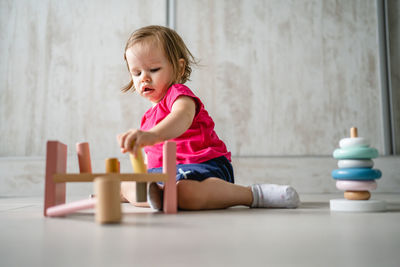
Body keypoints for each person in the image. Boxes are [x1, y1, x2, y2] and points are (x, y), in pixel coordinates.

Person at [117, 25, 300, 210]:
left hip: (203, 165)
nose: (144, 79)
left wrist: (153, 135)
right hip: (163, 175)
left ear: (179, 68)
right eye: (136, 73)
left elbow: (182, 117)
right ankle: (137, 193)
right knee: (130, 184)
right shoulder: (147, 119)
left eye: (154, 69)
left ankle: (251, 194)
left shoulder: (179, 95)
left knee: (186, 192)